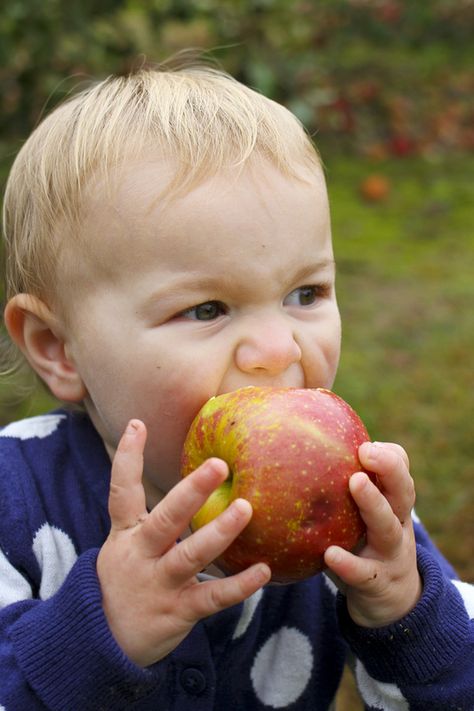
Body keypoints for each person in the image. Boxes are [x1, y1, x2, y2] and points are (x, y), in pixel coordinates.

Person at [0, 62, 472, 711]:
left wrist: (408, 610)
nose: (277, 349)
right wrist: (97, 631)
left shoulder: (357, 512)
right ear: (58, 347)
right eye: (206, 309)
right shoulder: (15, 503)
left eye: (305, 293)